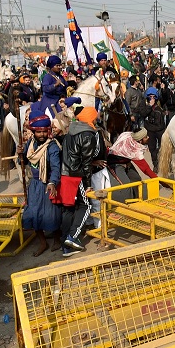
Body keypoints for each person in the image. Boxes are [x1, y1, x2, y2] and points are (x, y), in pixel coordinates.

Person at [60, 106, 106, 257]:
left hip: (65, 173)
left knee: (69, 209)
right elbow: (86, 163)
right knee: (86, 205)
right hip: (76, 174)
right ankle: (72, 237)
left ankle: (65, 246)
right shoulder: (88, 135)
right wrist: (87, 185)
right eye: (94, 117)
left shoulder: (71, 130)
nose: (96, 119)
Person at [20, 111, 62, 257]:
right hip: (35, 185)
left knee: (51, 214)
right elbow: (25, 161)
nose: (42, 135)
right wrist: (20, 154)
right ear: (33, 132)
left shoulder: (52, 147)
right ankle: (42, 242)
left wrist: (52, 183)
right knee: (33, 213)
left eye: (45, 131)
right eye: (39, 132)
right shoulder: (29, 144)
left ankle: (57, 239)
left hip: (49, 184)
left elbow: (57, 167)